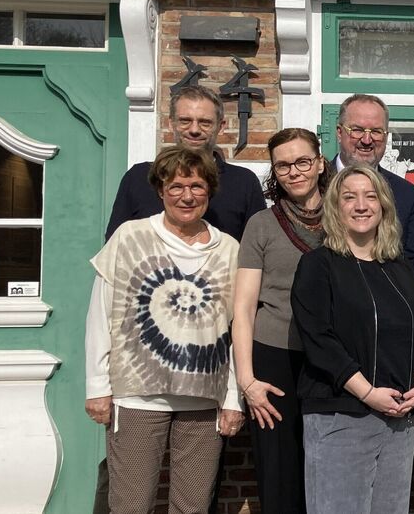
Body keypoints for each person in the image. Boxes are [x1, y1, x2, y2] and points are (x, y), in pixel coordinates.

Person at [94, 84, 264, 514]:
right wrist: (98, 384)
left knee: (194, 502)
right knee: (129, 500)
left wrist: (232, 393)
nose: (187, 196)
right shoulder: (136, 192)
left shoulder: (240, 194)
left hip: (204, 384)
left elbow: (237, 308)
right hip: (138, 382)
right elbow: (107, 301)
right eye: (185, 120)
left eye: (204, 121)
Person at [291, 164, 414, 513]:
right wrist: (368, 393)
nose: (361, 205)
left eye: (371, 196)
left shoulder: (399, 267)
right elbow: (319, 341)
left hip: (399, 418)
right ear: (334, 207)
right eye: (349, 197)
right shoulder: (318, 265)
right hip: (341, 416)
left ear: (384, 206)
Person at [231, 128, 333, 514]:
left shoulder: (346, 216)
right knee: (279, 470)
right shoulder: (261, 224)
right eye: (284, 165)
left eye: (303, 161)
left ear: (320, 163)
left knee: (328, 466)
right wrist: (248, 381)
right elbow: (242, 308)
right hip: (274, 359)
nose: (295, 171)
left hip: (332, 361)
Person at [105, 84, 265, 240]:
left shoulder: (244, 183)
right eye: (185, 121)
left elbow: (257, 251)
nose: (194, 130)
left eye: (205, 122)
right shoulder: (139, 177)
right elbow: (115, 248)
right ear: (170, 124)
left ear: (221, 126)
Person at [332, 93, 414, 283]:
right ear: (339, 132)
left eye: (376, 131)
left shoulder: (407, 195)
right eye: (357, 130)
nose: (367, 140)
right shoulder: (315, 186)